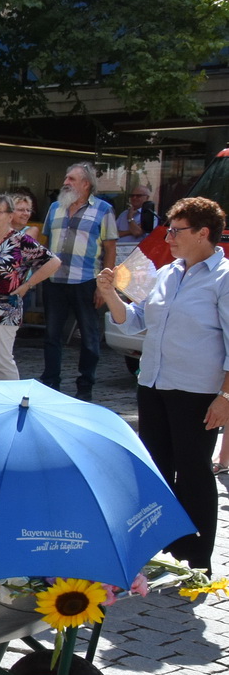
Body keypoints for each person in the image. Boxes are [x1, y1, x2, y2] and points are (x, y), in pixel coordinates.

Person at [99, 196, 229, 570]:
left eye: (176, 230)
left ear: (203, 233)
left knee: (193, 471)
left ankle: (198, 557)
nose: (168, 237)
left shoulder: (223, 277)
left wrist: (225, 396)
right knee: (155, 468)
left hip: (197, 391)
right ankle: (166, 543)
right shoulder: (169, 272)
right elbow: (137, 320)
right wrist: (110, 294)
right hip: (154, 384)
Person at [0, 193, 60, 380]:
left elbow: (53, 262)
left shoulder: (20, 241)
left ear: (9, 216)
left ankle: (10, 403)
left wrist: (28, 284)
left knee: (0, 363)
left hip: (3, 312)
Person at [40, 162, 117, 401]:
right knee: (52, 335)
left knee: (89, 338)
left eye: (72, 179)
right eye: (66, 178)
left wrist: (105, 287)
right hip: (54, 281)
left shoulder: (104, 210)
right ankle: (50, 383)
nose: (66, 182)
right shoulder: (54, 208)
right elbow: (44, 244)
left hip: (86, 281)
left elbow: (110, 249)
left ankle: (85, 386)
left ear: (86, 184)